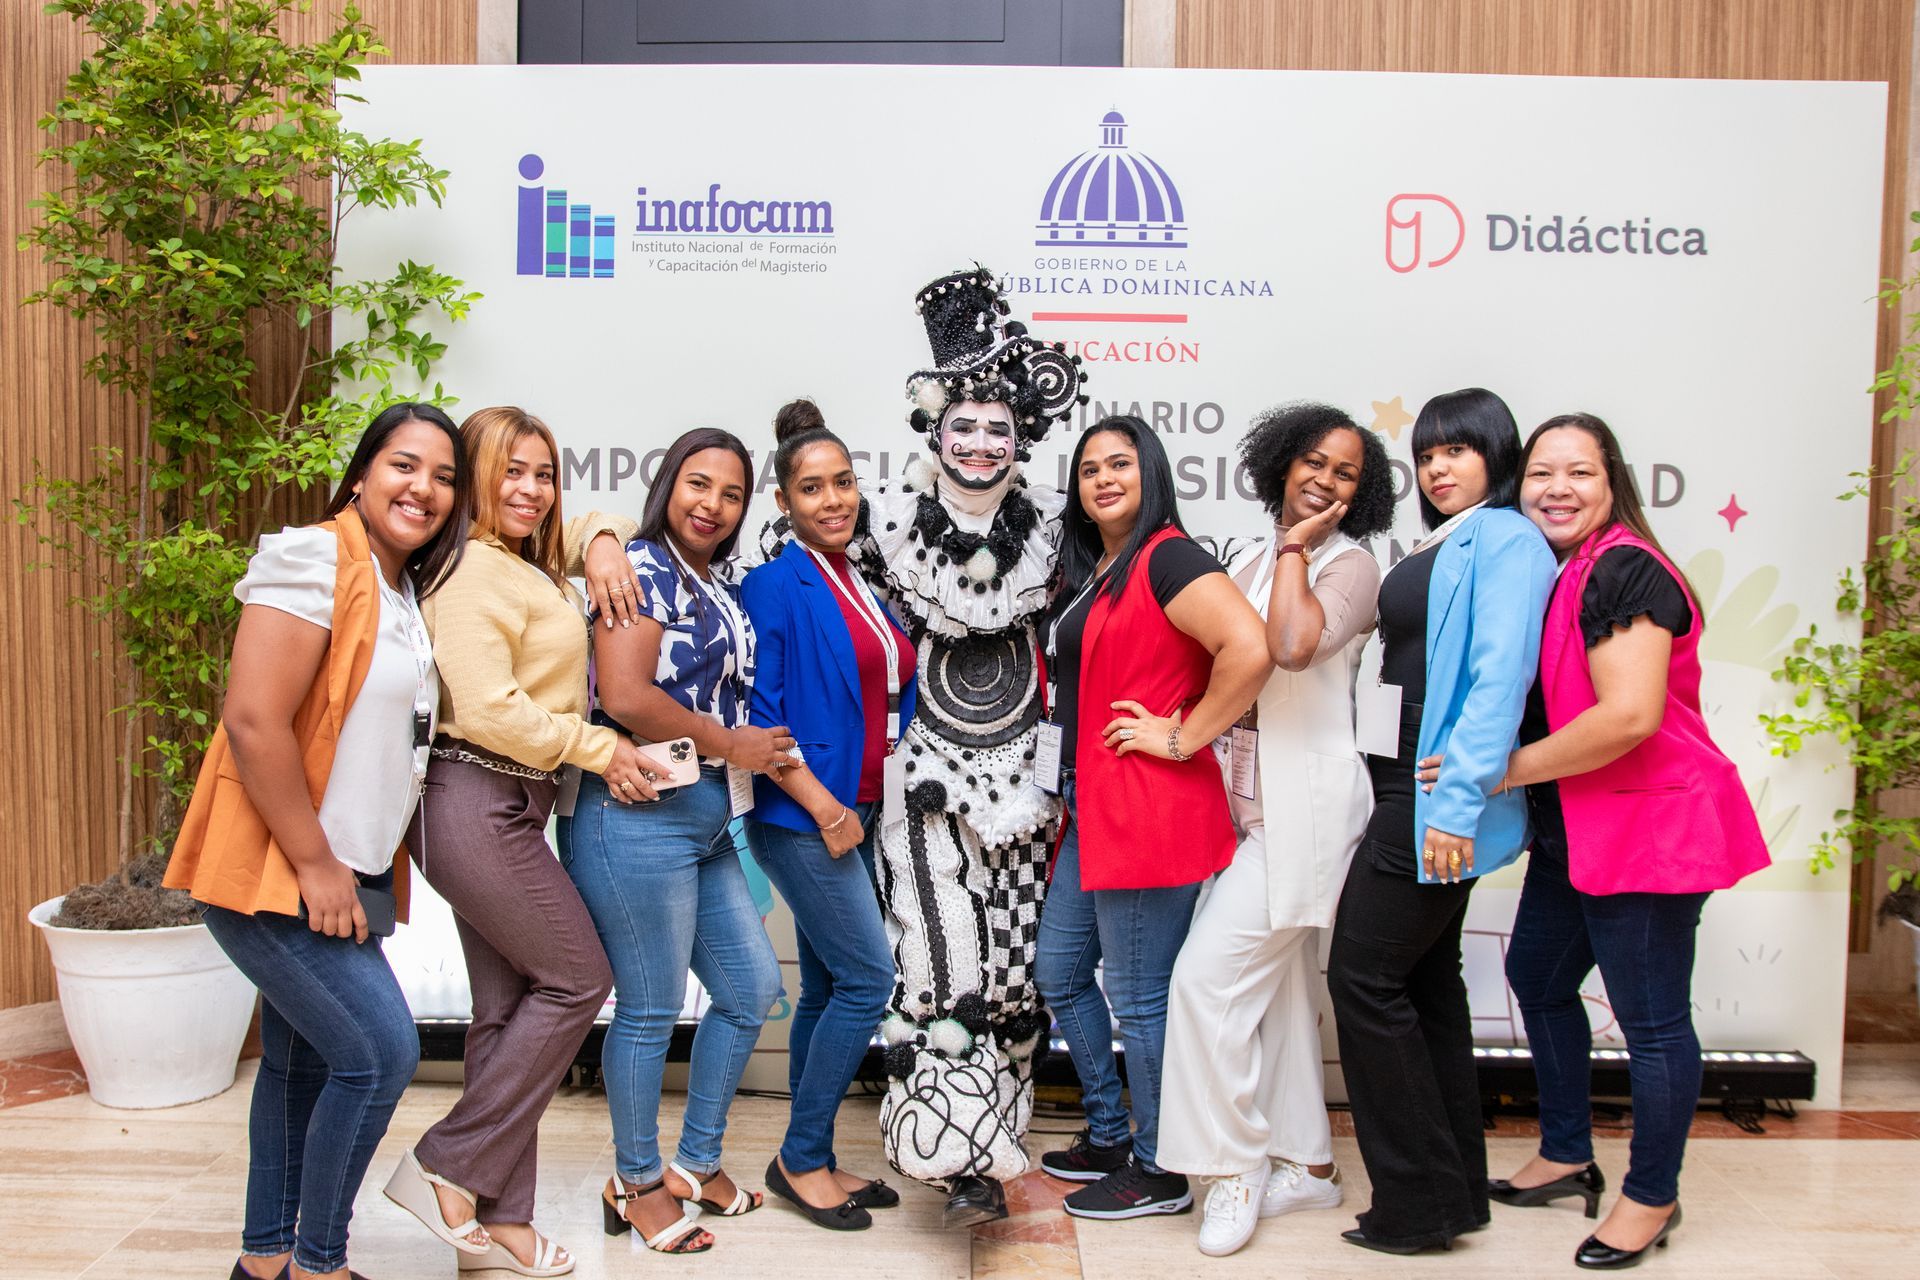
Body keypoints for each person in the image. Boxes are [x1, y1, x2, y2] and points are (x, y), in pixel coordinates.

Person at [1439, 414, 1768, 1269]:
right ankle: (1565, 1151)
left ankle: (1653, 1196)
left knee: (1653, 1025)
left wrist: (1496, 771)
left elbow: (1629, 717)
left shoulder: (1625, 569)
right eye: (1540, 472)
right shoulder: (1562, 571)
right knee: (1537, 978)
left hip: (1650, 829)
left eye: (1577, 472)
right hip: (1579, 831)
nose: (1556, 488)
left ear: (1612, 482)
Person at [165, 403, 469, 1280]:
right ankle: (319, 1265)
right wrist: (313, 864)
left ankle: (263, 1263)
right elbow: (254, 722)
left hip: (353, 871)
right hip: (281, 870)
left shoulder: (403, 587)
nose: (425, 488)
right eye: (405, 466)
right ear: (363, 472)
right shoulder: (312, 556)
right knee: (381, 1055)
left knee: (299, 1065)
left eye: (445, 477)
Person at [817, 266, 1085, 1227]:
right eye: (962, 427)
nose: (978, 444)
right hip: (922, 778)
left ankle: (998, 1141)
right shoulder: (883, 529)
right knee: (939, 958)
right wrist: (601, 540)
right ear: (934, 431)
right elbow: (784, 560)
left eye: (998, 429)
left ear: (1022, 440)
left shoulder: (1061, 537)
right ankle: (941, 1143)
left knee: (1014, 969)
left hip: (1026, 781)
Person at [383, 405, 664, 1278]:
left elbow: (588, 522)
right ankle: (446, 1165)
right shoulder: (470, 572)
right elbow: (494, 709)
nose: (531, 490)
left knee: (506, 1015)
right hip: (473, 794)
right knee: (580, 977)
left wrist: (605, 543)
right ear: (471, 478)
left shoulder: (520, 559)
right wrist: (602, 747)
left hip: (505, 801)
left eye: (543, 473)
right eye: (510, 472)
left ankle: (501, 1223)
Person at [1157, 403, 1395, 1256]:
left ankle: (1231, 1170)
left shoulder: (1353, 566)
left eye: (1347, 475)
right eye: (1316, 462)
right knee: (1285, 1000)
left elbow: (1291, 649)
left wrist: (1298, 546)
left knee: (1205, 985)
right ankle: (1311, 1167)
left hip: (1309, 812)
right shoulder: (1253, 556)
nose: (1326, 481)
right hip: (1247, 809)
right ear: (1282, 461)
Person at [1324, 387, 1556, 1256]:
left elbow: (1500, 678)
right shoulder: (1450, 537)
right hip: (1401, 784)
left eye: (1458, 449)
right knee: (1424, 987)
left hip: (1431, 799)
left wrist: (1456, 803)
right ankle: (1452, 1194)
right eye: (1427, 454)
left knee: (1364, 979)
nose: (1439, 467)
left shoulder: (1506, 536)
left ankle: (1416, 1203)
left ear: (1497, 454)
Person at [1035, 414, 1270, 1221]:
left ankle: (1164, 1164)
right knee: (1059, 972)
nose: (1103, 479)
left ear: (1152, 474)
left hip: (1148, 808)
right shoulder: (1105, 567)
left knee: (1139, 995)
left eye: (1121, 465)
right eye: (1089, 467)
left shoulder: (1168, 554)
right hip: (1091, 807)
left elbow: (1251, 646)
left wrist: (1182, 735)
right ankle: (1109, 1130)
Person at [563, 427, 790, 1256]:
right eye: (699, 485)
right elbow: (623, 693)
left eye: (731, 494)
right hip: (633, 816)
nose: (713, 505)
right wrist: (732, 745)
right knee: (652, 1007)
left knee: (750, 986)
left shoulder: (712, 579)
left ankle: (695, 1162)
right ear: (669, 484)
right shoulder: (642, 565)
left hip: (705, 821)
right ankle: (636, 1181)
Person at [740, 399, 920, 1230]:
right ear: (784, 502)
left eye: (843, 482)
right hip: (805, 817)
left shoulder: (861, 577)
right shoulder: (774, 584)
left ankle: (808, 1151)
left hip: (864, 810)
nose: (834, 499)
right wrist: (827, 810)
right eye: (812, 488)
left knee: (823, 986)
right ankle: (801, 1159)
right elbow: (765, 716)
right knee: (868, 980)